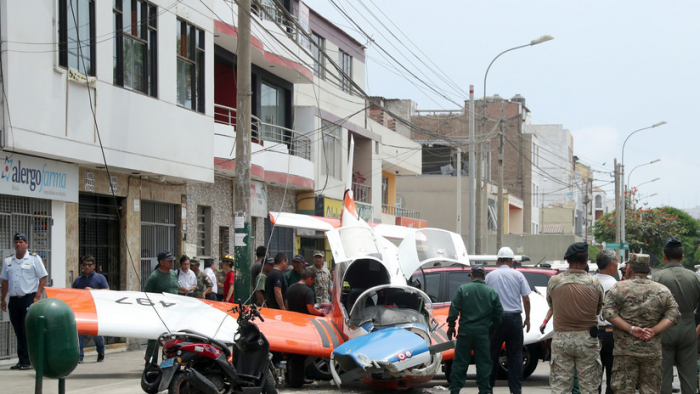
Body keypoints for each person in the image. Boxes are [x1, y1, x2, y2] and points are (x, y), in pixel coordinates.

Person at [603, 253, 680, 394]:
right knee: (650, 390)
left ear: (629, 269)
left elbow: (608, 312)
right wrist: (654, 331)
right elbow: (674, 314)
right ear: (649, 270)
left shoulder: (619, 288)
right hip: (651, 352)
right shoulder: (662, 290)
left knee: (623, 390)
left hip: (625, 352)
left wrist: (631, 329)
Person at [546, 241, 605, 394]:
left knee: (560, 388)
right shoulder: (595, 282)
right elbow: (598, 310)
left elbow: (552, 305)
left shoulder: (555, 281)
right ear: (586, 260)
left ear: (567, 260)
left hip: (561, 339)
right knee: (589, 388)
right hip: (587, 339)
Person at [652, 237, 700, 394]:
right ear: (682, 256)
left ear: (664, 257)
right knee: (689, 375)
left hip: (664, 328)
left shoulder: (658, 278)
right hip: (689, 327)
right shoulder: (694, 277)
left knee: (664, 374)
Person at [447, 265, 503, 394]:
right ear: (484, 277)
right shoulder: (491, 292)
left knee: (460, 363)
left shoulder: (462, 289)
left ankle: (454, 390)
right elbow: (498, 313)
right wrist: (493, 329)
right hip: (483, 334)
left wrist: (451, 326)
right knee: (484, 364)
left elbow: (454, 308)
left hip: (465, 333)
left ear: (471, 276)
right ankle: (485, 391)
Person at [485, 246, 531, 394]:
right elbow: (526, 299)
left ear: (498, 260)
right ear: (512, 261)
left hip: (496, 319)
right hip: (514, 319)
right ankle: (515, 390)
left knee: (492, 355)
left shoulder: (490, 276)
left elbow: (486, 299)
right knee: (515, 356)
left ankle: (488, 389)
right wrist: (528, 318)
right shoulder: (518, 276)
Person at [0, 232, 48, 370]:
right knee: (18, 331)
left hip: (29, 298)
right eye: (16, 242)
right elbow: (5, 281)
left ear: (27, 244)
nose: (18, 244)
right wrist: (3, 299)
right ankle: (22, 360)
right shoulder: (8, 261)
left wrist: (38, 295)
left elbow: (43, 277)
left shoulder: (34, 259)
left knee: (28, 329)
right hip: (14, 300)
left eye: (21, 242)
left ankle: (30, 360)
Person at [72, 255, 109, 363]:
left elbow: (107, 290)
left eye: (89, 265)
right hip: (82, 310)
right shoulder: (78, 280)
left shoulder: (100, 278)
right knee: (80, 334)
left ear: (94, 266)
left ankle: (101, 351)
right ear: (81, 266)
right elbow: (73, 293)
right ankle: (80, 356)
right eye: (85, 265)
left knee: (97, 334)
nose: (87, 267)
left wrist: (93, 291)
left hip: (95, 310)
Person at [144, 250, 178, 364]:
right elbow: (146, 294)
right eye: (169, 261)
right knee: (154, 339)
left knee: (171, 339)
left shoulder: (173, 273)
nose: (172, 262)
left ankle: (168, 362)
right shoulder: (154, 276)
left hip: (173, 313)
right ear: (161, 262)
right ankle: (150, 362)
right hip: (158, 313)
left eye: (172, 260)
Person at [594, 249, 619, 394]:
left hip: (592, 333)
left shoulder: (590, 282)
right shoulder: (616, 285)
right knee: (612, 379)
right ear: (611, 264)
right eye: (616, 262)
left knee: (593, 379)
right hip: (611, 333)